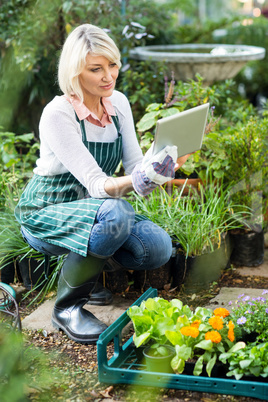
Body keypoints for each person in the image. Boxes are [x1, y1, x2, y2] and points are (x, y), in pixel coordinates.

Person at [14, 24, 191, 344]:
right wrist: (139, 181)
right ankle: (67, 308)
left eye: (113, 65)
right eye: (96, 69)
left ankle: (85, 269)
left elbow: (136, 166)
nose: (109, 76)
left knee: (157, 248)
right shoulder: (58, 114)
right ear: (75, 72)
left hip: (98, 208)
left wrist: (162, 166)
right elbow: (97, 184)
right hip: (47, 211)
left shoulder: (118, 103)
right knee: (116, 213)